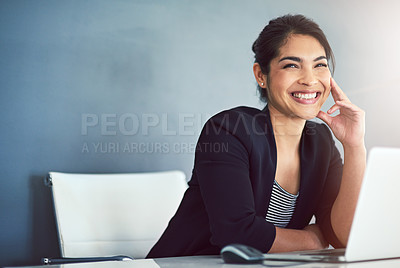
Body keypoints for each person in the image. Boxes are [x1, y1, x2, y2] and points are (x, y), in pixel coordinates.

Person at [146, 14, 366, 258]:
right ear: (261, 75)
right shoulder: (228, 130)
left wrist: (354, 145)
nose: (309, 79)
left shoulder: (321, 141)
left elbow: (343, 235)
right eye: (291, 65)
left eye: (320, 65)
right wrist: (314, 240)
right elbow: (238, 235)